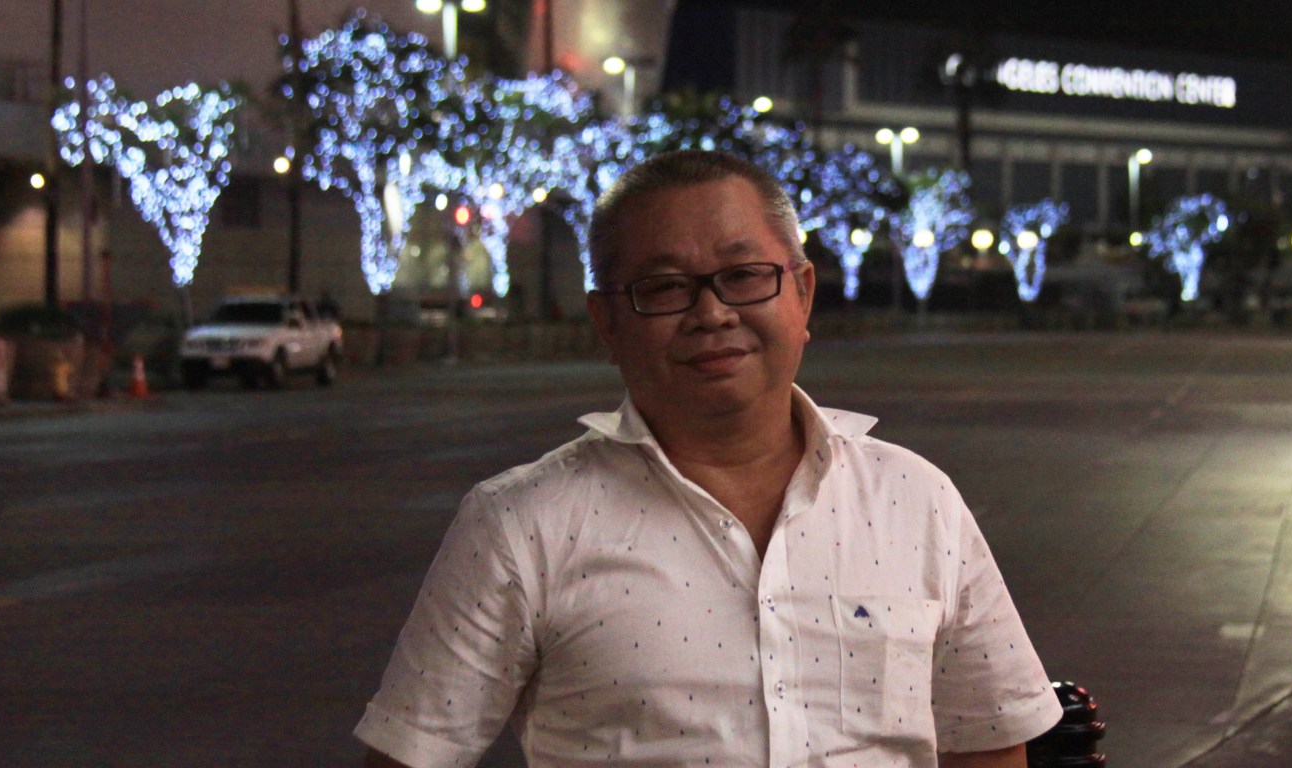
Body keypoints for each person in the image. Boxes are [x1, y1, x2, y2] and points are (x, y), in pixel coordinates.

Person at [354, 151, 1062, 768]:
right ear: (607, 322)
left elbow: (990, 742)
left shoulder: (916, 500)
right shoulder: (521, 525)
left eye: (744, 275)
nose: (712, 313)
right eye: (664, 288)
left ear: (802, 293)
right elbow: (412, 752)